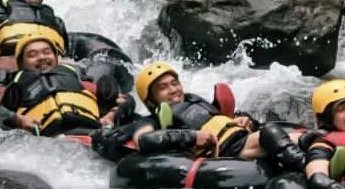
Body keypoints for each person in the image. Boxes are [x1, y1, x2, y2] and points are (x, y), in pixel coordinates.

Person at [93, 61, 303, 168]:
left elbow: (221, 122)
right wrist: (194, 137)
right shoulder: (151, 120)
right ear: (150, 99)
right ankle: (302, 165)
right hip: (228, 150)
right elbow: (144, 141)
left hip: (240, 136)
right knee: (272, 133)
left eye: (175, 83)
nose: (173, 89)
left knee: (305, 138)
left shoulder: (196, 102)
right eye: (163, 87)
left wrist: (243, 120)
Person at [0, 30, 114, 137]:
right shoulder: (15, 87)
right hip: (46, 138)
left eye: (47, 52)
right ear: (21, 63)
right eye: (32, 55)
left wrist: (111, 116)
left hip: (90, 133)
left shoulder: (75, 80)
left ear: (56, 58)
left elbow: (122, 100)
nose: (42, 57)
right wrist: (19, 120)